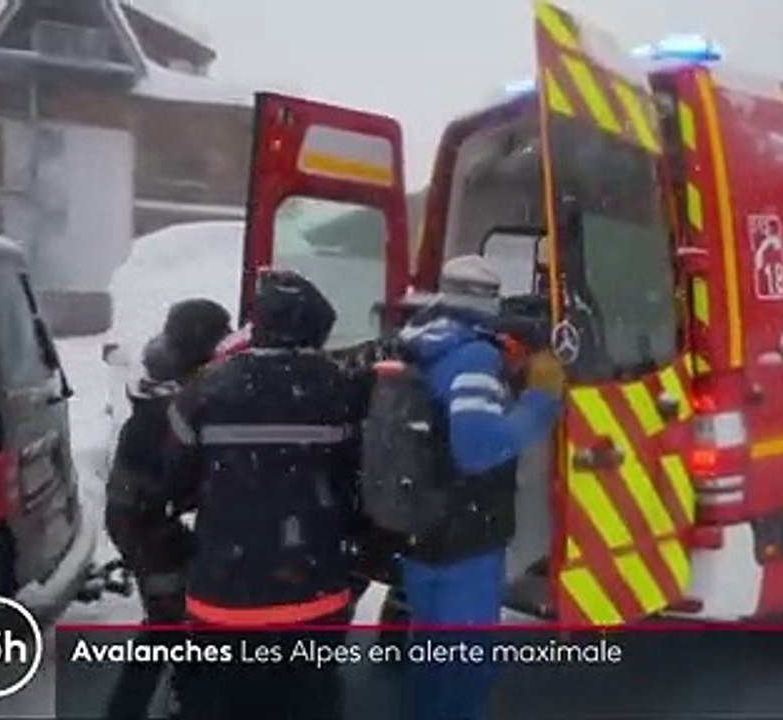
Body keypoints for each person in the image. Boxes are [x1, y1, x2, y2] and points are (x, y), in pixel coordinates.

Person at [160, 268, 367, 720]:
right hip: (313, 594)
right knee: (308, 704)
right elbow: (359, 480)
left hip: (224, 596)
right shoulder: (341, 389)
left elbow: (172, 483)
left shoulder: (204, 390)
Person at [395, 255, 566, 720]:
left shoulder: (418, 340)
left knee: (430, 658)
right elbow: (478, 448)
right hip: (465, 536)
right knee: (465, 669)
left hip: (421, 528)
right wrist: (541, 401)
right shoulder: (473, 357)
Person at [103, 298, 232, 720]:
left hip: (144, 516)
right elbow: (179, 468)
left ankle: (160, 703)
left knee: (174, 623)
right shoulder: (180, 393)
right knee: (172, 623)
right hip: (147, 523)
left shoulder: (168, 376)